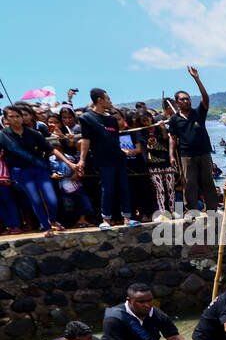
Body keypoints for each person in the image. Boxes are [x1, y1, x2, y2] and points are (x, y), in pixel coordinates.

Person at [1, 104, 79, 234]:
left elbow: (51, 149)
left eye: (17, 116)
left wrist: (70, 164)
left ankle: (53, 220)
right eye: (11, 117)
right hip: (21, 172)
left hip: (40, 169)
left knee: (52, 200)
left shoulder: (33, 133)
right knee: (36, 200)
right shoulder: (3, 135)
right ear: (6, 119)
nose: (15, 119)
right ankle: (47, 228)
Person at [78, 88, 137, 229]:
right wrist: (82, 159)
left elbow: (115, 138)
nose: (110, 101)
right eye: (108, 98)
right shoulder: (87, 118)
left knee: (124, 187)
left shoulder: (111, 119)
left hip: (119, 158)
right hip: (103, 159)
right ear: (99, 100)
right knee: (108, 189)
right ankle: (106, 219)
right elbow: (86, 140)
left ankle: (127, 218)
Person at [168, 66, 219, 212]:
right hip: (186, 154)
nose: (186, 101)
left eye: (188, 99)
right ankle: (190, 209)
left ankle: (212, 208)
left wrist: (197, 79)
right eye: (183, 99)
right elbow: (173, 138)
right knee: (189, 182)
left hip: (204, 152)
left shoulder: (198, 113)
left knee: (208, 181)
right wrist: (171, 155)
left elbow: (205, 98)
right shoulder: (174, 119)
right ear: (177, 102)